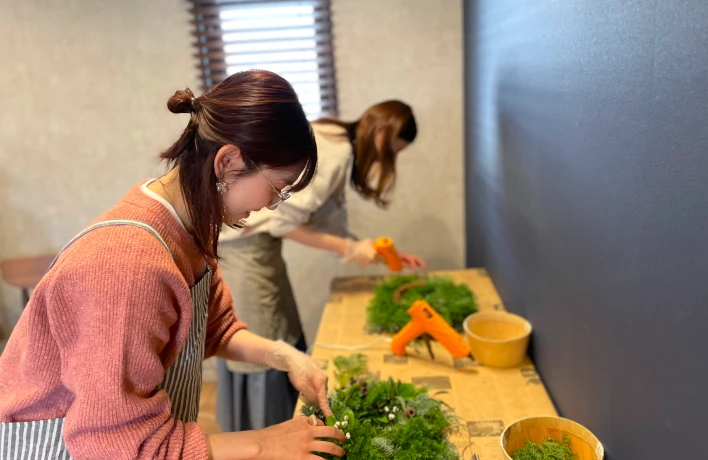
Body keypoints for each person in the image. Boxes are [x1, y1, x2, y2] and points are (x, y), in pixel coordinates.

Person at [0, 70, 345, 459]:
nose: (271, 205)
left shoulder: (190, 224)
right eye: (277, 189)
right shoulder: (128, 265)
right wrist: (263, 444)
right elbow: (116, 445)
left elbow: (213, 330)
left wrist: (284, 356)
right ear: (228, 161)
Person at [216, 100, 426, 432]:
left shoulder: (334, 135)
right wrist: (350, 248)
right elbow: (284, 223)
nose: (387, 159)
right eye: (393, 151)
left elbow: (323, 220)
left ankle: (287, 425)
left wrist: (378, 251)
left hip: (260, 246)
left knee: (283, 332)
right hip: (244, 249)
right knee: (266, 341)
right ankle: (266, 436)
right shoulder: (336, 151)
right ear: (382, 133)